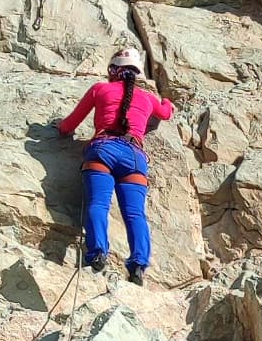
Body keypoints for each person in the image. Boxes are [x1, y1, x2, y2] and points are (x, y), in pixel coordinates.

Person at [56, 42, 176, 283]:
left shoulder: (100, 89)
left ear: (113, 70)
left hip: (104, 149)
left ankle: (98, 253)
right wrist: (167, 102)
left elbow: (69, 125)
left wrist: (58, 127)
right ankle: (138, 265)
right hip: (135, 157)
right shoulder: (148, 98)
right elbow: (166, 113)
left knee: (98, 203)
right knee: (135, 214)